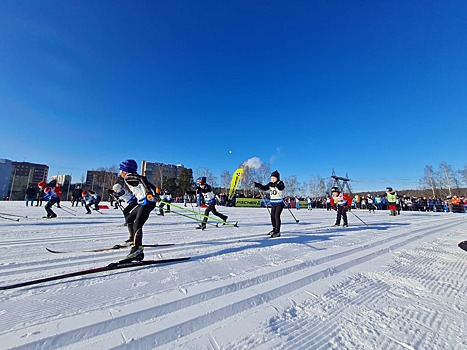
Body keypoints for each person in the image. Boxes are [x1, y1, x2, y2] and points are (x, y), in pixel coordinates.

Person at [119, 159, 158, 262]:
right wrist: (155, 192)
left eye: (121, 170)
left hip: (147, 202)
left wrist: (149, 192)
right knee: (129, 219)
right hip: (143, 202)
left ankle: (137, 250)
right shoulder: (131, 177)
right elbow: (147, 183)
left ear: (125, 170)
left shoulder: (128, 176)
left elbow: (142, 178)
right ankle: (133, 238)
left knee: (137, 224)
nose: (120, 172)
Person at [254, 170, 285, 238]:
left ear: (277, 178)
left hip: (280, 203)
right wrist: (259, 185)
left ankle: (278, 231)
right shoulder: (270, 184)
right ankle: (274, 229)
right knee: (272, 216)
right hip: (273, 203)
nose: (272, 179)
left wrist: (276, 185)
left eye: (274, 178)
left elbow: (281, 187)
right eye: (271, 178)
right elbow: (264, 188)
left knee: (277, 216)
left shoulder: (280, 182)